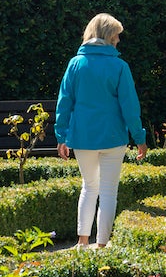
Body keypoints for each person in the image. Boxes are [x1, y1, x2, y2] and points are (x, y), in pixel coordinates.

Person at [54, 13, 148, 250]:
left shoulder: (75, 64)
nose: (119, 39)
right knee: (108, 192)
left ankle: (82, 241)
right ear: (109, 35)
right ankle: (102, 244)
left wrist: (61, 136)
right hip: (113, 137)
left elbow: (64, 102)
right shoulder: (119, 66)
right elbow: (130, 106)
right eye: (117, 34)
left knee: (89, 187)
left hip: (82, 137)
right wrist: (140, 138)